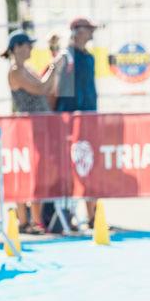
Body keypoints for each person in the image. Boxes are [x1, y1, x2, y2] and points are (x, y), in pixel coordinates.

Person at [2, 30, 64, 234]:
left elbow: (49, 86)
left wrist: (53, 60)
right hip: (30, 130)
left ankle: (33, 219)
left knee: (40, 173)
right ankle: (29, 220)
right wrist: (54, 65)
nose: (31, 48)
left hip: (40, 128)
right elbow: (42, 88)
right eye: (28, 45)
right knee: (32, 173)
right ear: (17, 48)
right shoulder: (15, 72)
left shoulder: (26, 68)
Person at [56, 16, 99, 227]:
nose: (92, 32)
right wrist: (65, 120)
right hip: (71, 122)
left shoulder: (88, 57)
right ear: (77, 31)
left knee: (90, 166)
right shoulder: (68, 57)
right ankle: (68, 215)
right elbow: (62, 91)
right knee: (70, 170)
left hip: (89, 119)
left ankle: (93, 216)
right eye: (88, 29)